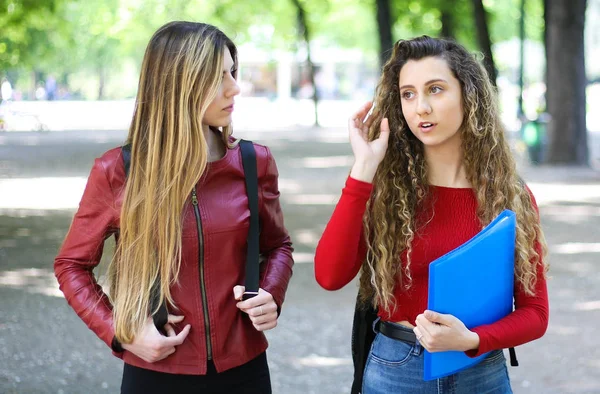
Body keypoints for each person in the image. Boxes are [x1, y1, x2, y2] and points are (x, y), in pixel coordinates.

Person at [54, 21, 294, 394]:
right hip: (155, 371)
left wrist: (270, 293)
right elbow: (71, 265)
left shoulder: (253, 162)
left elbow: (278, 246)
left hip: (244, 369)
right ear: (179, 85)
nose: (235, 87)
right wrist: (121, 331)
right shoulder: (118, 171)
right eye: (218, 77)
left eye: (232, 71)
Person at [314, 35, 548, 394]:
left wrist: (471, 338)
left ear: (468, 95)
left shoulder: (509, 196)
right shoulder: (384, 191)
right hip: (396, 370)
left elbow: (535, 313)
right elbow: (329, 276)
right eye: (408, 93)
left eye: (435, 89)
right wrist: (363, 168)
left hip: (481, 371)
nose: (420, 107)